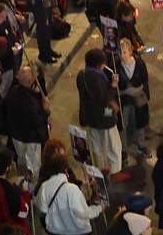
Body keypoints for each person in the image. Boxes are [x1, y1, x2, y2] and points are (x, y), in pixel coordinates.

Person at [76, 49, 123, 177]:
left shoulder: (82, 75)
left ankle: (101, 168)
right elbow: (104, 99)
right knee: (113, 144)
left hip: (90, 115)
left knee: (97, 144)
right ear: (99, 64)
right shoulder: (97, 78)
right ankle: (115, 171)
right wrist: (113, 85)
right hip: (104, 116)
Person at [3, 66, 50, 179]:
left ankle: (22, 177)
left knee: (21, 159)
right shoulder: (28, 101)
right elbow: (36, 120)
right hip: (30, 139)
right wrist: (45, 110)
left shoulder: (13, 92)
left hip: (16, 135)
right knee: (33, 165)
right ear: (29, 81)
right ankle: (32, 184)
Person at [37, 153, 101, 235]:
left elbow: (42, 209)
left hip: (55, 231)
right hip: (77, 231)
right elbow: (84, 213)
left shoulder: (44, 187)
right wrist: (99, 208)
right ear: (66, 170)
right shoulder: (72, 189)